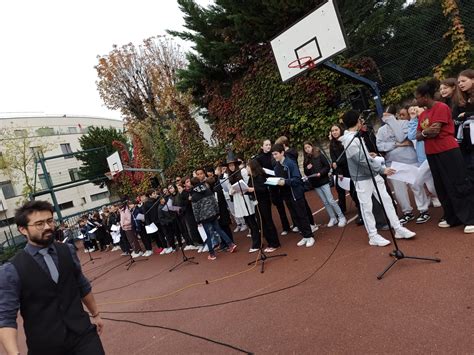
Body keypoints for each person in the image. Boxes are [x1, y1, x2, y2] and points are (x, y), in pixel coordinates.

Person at [0, 200, 105, 355]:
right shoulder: (11, 270)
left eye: (50, 221)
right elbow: (6, 316)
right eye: (39, 224)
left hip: (84, 337)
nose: (48, 227)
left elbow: (82, 284)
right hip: (45, 346)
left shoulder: (67, 250)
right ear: (23, 230)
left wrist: (95, 314)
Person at [340, 110, 416, 246]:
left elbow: (363, 157)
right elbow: (361, 160)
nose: (362, 121)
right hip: (363, 178)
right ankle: (373, 235)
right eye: (360, 119)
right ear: (356, 121)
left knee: (386, 200)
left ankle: (398, 228)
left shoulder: (356, 136)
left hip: (372, 174)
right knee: (367, 207)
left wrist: (370, 156)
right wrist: (382, 169)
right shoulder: (349, 140)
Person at [415, 79, 474, 233]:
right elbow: (418, 135)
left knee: (458, 183)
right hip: (432, 153)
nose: (416, 100)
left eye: (418, 97)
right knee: (441, 186)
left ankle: (470, 218)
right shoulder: (422, 115)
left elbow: (435, 131)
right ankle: (452, 217)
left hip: (448, 150)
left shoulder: (441, 107)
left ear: (425, 96)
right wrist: (425, 133)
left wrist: (425, 133)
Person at [376, 105, 431, 224]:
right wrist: (395, 144)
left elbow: (402, 137)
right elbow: (380, 146)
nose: (385, 119)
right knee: (399, 190)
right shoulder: (381, 130)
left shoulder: (404, 123)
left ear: (394, 116)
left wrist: (393, 123)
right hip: (393, 163)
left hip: (410, 160)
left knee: (416, 186)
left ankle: (423, 210)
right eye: (384, 117)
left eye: (388, 116)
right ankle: (407, 212)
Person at [271, 143, 316, 247]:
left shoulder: (290, 163)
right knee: (295, 217)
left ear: (282, 153)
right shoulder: (277, 167)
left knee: (302, 215)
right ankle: (305, 236)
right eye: (273, 154)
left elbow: (297, 179)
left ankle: (310, 236)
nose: (274, 156)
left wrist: (285, 182)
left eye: (276, 154)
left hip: (296, 194)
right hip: (286, 196)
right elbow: (279, 181)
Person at [190, 176, 237, 260]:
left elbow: (195, 210)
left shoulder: (194, 196)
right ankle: (231, 244)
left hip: (204, 217)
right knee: (219, 230)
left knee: (208, 235)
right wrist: (217, 212)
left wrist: (197, 220)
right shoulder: (207, 190)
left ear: (192, 185)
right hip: (213, 214)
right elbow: (214, 202)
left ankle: (212, 254)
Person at [303, 141, 347, 227]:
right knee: (325, 202)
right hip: (315, 184)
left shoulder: (319, 155)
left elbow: (327, 166)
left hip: (324, 181)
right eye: (305, 148)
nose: (307, 149)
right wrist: (307, 169)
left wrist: (321, 173)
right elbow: (306, 172)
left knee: (330, 200)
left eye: (308, 147)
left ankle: (341, 217)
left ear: (312, 146)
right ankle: (333, 218)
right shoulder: (306, 159)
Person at [407, 103, 441, 208]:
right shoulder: (415, 122)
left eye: (417, 109)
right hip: (423, 159)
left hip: (435, 154)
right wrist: (413, 119)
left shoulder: (431, 117)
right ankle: (438, 198)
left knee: (441, 181)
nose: (415, 112)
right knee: (429, 185)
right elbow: (411, 136)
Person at [255, 139, 291, 235]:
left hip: (280, 179)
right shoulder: (259, 158)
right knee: (279, 205)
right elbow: (260, 172)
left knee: (288, 201)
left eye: (269, 144)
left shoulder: (274, 154)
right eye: (266, 145)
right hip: (271, 182)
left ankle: (295, 223)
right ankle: (286, 226)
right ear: (262, 147)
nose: (268, 146)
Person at [329, 124, 362, 224]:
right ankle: (342, 209)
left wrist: (337, 163)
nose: (334, 132)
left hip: (350, 169)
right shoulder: (332, 144)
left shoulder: (345, 140)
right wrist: (338, 171)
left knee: (354, 192)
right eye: (332, 131)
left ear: (340, 130)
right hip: (341, 172)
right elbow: (334, 160)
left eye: (336, 130)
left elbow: (347, 156)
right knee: (341, 190)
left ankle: (361, 211)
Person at [227, 153, 260, 253]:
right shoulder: (229, 176)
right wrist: (232, 191)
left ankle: (257, 243)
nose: (232, 167)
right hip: (238, 199)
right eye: (230, 165)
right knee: (248, 221)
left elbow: (249, 184)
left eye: (233, 165)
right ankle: (255, 241)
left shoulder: (243, 172)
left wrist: (243, 189)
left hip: (245, 198)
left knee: (252, 221)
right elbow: (229, 189)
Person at [246, 159, 281, 252]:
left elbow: (263, 189)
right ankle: (270, 242)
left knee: (267, 221)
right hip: (257, 202)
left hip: (263, 201)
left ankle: (275, 243)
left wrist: (253, 189)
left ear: (252, 167)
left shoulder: (260, 176)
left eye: (247, 166)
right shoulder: (251, 177)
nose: (246, 168)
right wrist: (245, 191)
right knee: (261, 223)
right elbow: (250, 188)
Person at [452, 69, 474, 177]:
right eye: (459, 82)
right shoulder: (460, 100)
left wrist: (467, 114)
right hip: (465, 141)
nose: (460, 84)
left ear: (473, 80)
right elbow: (455, 118)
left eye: (463, 81)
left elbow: (464, 115)